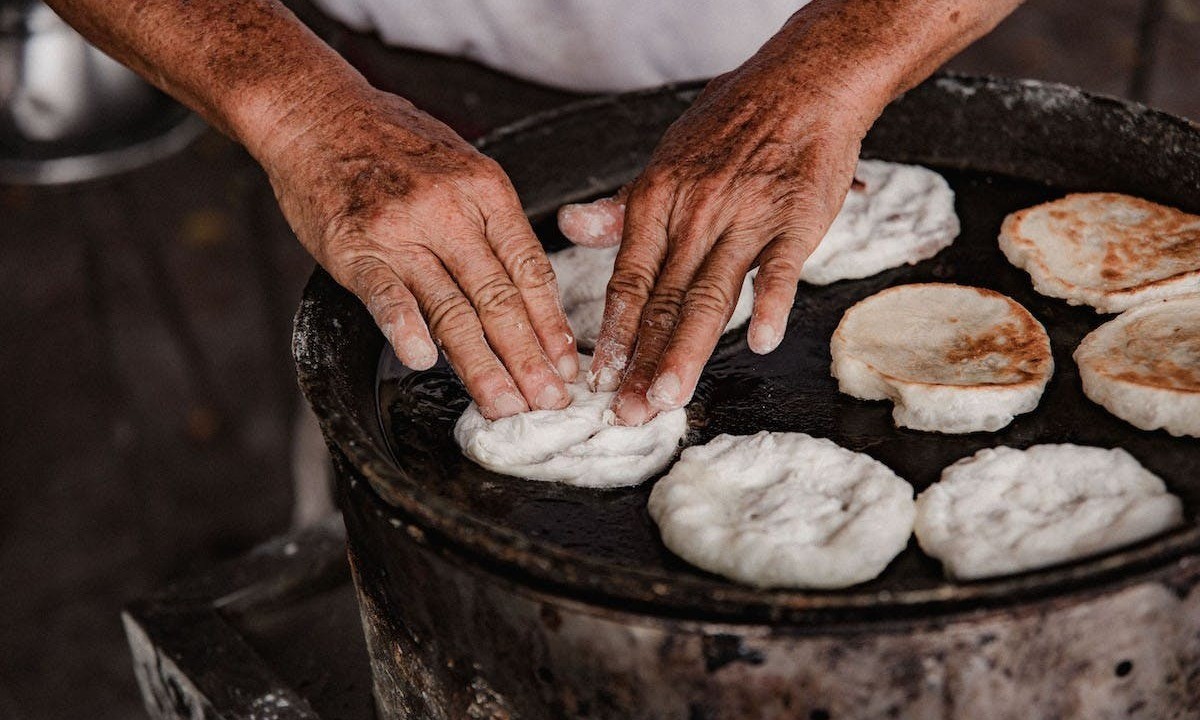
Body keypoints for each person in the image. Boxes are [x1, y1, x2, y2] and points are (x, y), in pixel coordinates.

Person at [48, 0, 1021, 426]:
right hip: (358, 83)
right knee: (387, 391)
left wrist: (833, 68)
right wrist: (297, 109)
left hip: (850, 68)